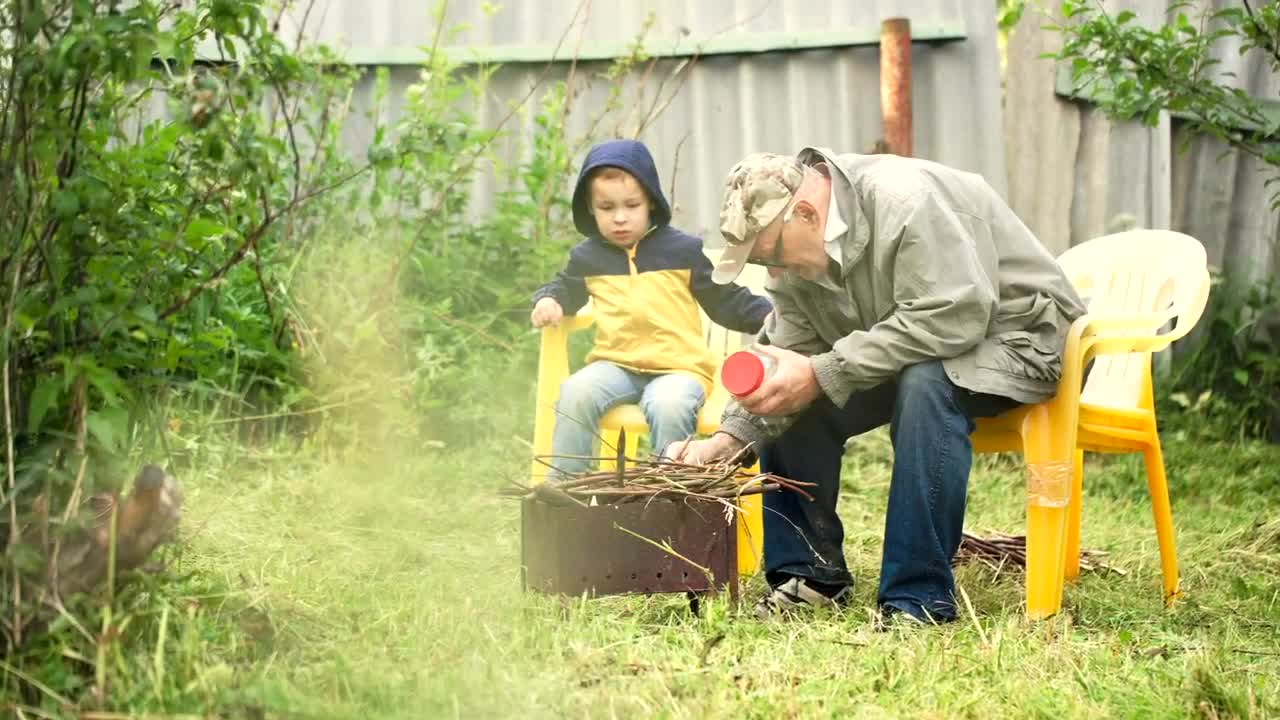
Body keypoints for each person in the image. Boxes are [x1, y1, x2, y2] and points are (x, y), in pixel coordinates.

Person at [667, 149, 1087, 624]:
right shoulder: (796, 256)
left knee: (926, 380)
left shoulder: (906, 202)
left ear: (806, 213)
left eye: (773, 256)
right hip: (917, 342)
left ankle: (918, 597)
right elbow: (791, 351)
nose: (774, 274)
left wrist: (823, 372)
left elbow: (954, 316)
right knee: (797, 386)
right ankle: (807, 578)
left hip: (1019, 336)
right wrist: (728, 441)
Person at [532, 139, 771, 479]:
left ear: (651, 203)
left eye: (631, 205)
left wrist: (767, 315)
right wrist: (549, 301)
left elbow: (724, 298)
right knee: (576, 392)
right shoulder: (587, 258)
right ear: (590, 208)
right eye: (606, 207)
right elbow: (565, 288)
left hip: (679, 369)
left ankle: (669, 498)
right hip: (615, 365)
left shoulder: (682, 251)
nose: (619, 217)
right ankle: (565, 496)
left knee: (669, 405)